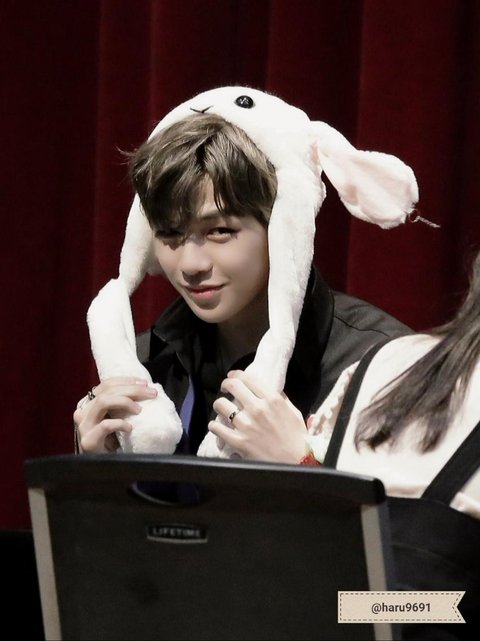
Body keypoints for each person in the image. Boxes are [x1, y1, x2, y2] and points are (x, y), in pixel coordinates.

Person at [74, 86, 417, 457]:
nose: (190, 265)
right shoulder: (147, 364)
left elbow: (413, 498)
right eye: (169, 234)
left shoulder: (381, 364)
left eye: (220, 231)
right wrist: (92, 472)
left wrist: (300, 462)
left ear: (284, 228)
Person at [213, 248, 480, 639]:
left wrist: (302, 467)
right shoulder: (389, 359)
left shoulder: (385, 355)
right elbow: (384, 604)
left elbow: (353, 602)